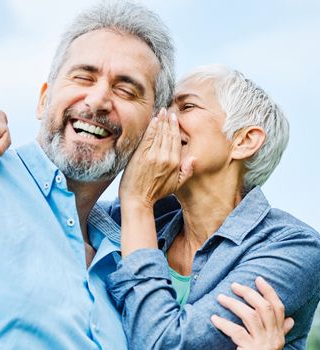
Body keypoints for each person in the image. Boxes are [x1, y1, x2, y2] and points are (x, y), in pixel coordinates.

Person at [0, 3, 293, 350]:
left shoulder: (128, 256)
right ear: (43, 100)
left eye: (127, 90)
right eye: (83, 77)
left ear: (152, 127)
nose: (97, 100)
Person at [104, 64, 320, 349]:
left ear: (244, 141)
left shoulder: (293, 247)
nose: (161, 119)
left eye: (186, 106)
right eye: (164, 107)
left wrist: (137, 202)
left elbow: (165, 343)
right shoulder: (128, 218)